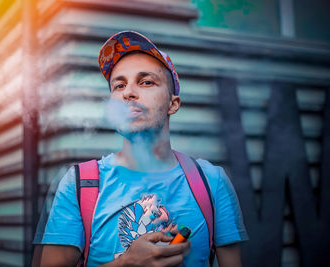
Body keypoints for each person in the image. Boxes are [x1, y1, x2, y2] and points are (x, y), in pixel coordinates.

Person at [34, 31, 248, 267]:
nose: (128, 93)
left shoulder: (212, 182)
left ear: (173, 103)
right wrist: (127, 263)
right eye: (119, 85)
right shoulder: (79, 184)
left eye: (146, 82)